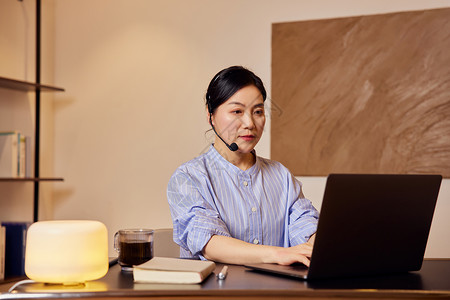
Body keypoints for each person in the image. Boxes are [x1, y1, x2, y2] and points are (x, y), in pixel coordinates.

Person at [167, 66, 319, 266]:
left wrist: (317, 243)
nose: (249, 123)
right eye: (237, 111)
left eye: (257, 112)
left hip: (276, 296)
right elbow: (209, 242)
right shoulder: (188, 178)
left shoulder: (281, 175)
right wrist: (277, 254)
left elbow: (306, 226)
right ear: (210, 115)